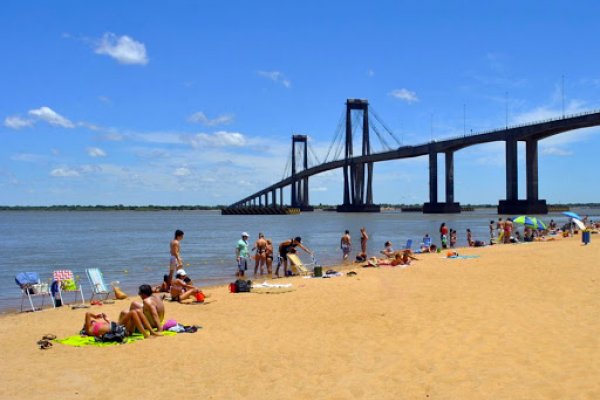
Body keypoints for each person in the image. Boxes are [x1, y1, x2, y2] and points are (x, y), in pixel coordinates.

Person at [83, 310, 160, 339]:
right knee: (133, 313)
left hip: (118, 329)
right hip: (117, 330)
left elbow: (109, 326)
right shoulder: (89, 329)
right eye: (91, 321)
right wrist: (96, 317)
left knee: (138, 311)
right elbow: (88, 313)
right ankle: (146, 335)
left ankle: (151, 332)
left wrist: (107, 320)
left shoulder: (100, 324)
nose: (93, 321)